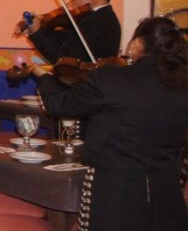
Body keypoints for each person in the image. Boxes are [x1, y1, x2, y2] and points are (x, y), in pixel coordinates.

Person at [32, 17, 187, 231]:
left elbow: (59, 106)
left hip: (115, 190)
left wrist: (44, 78)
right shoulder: (182, 85)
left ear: (138, 44)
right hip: (167, 188)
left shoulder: (110, 78)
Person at [24, 0, 121, 64]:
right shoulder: (90, 18)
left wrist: (37, 33)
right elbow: (61, 39)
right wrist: (37, 30)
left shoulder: (100, 21)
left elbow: (65, 61)